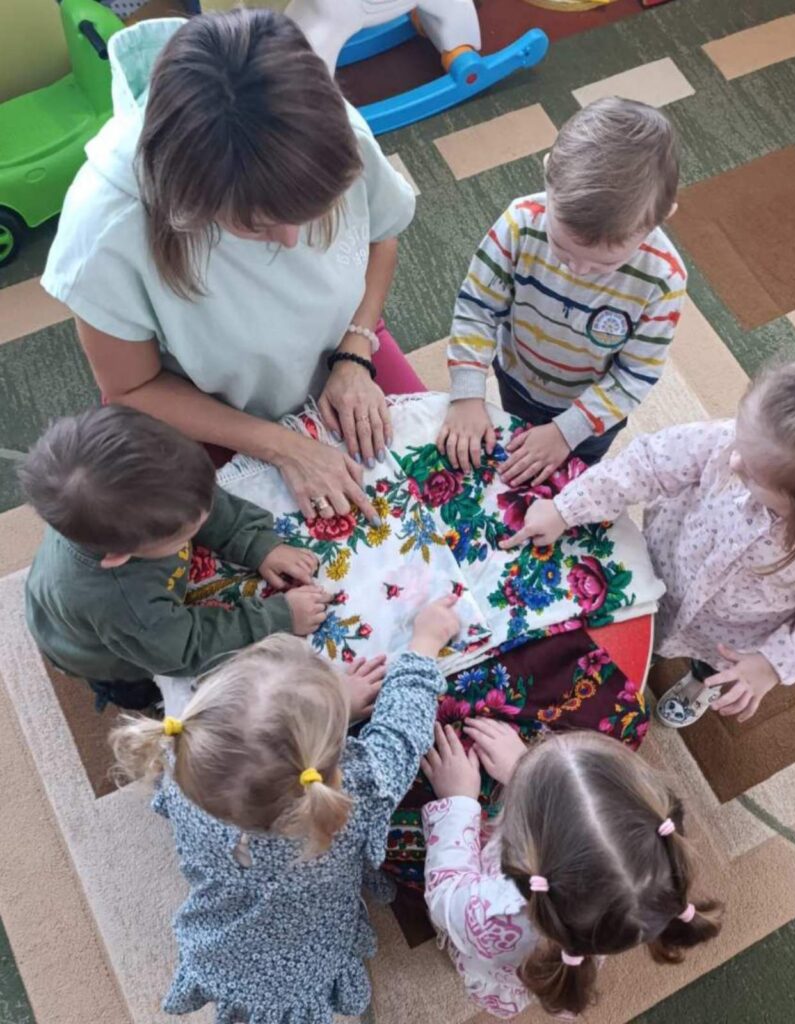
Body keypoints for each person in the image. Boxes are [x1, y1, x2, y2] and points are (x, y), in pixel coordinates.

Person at [41, 8, 423, 527]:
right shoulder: (104, 232)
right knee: (236, 552)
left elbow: (382, 235)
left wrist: (355, 353)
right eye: (257, 226)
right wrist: (282, 446)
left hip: (346, 341)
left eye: (312, 214)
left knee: (425, 484)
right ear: (190, 200)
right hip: (199, 408)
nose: (291, 241)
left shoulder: (331, 130)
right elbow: (132, 389)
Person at [501, 349, 795, 726]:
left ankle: (699, 682)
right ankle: (647, 651)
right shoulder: (732, 444)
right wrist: (567, 508)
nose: (736, 461)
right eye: (741, 440)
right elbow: (646, 464)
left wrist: (770, 665)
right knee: (633, 629)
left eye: (755, 472)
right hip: (661, 563)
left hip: (727, 638)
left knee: (714, 669)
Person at [110, 596, 460, 1023]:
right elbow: (402, 734)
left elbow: (258, 746)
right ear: (322, 765)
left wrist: (329, 712)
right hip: (308, 955)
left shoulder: (183, 759)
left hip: (221, 946)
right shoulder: (354, 798)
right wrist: (425, 643)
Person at [437, 97, 685, 487]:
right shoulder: (519, 224)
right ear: (548, 174)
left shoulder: (663, 279)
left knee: (570, 484)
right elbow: (478, 307)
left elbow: (635, 374)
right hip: (517, 376)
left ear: (660, 218)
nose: (579, 270)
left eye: (604, 263)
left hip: (591, 418)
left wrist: (567, 433)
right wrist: (467, 394)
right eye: (562, 249)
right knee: (514, 451)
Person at [20, 405, 330, 711]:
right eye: (184, 535)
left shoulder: (153, 492)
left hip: (76, 598)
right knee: (147, 688)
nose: (205, 515)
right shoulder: (124, 603)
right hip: (100, 651)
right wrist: (279, 617)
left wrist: (258, 544)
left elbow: (201, 502)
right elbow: (185, 650)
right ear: (119, 556)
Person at [420, 718, 722, 1019]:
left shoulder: (489, 913)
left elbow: (446, 897)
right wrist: (525, 771)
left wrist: (458, 803)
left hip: (486, 953)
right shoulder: (625, 896)